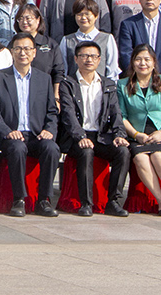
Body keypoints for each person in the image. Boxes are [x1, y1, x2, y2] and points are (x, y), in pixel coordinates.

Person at [0, 33, 61, 217]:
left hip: (36, 134)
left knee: (52, 149)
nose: (23, 53)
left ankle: (44, 200)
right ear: (11, 52)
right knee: (17, 148)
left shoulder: (44, 79)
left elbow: (52, 112)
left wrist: (49, 130)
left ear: (34, 53)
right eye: (18, 48)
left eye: (27, 49)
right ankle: (19, 199)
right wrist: (7, 131)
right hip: (10, 136)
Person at [58, 41, 132, 217]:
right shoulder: (68, 83)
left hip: (101, 136)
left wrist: (119, 134)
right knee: (86, 152)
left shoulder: (108, 84)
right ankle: (86, 203)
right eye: (84, 56)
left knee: (123, 152)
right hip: (77, 137)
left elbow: (116, 112)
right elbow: (68, 115)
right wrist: (80, 136)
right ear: (76, 59)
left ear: (99, 60)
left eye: (93, 56)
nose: (88, 60)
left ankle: (113, 201)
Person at [119, 45, 161, 217]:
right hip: (137, 136)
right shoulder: (122, 85)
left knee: (158, 156)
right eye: (138, 59)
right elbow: (122, 116)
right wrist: (136, 135)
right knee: (140, 158)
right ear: (132, 62)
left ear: (154, 62)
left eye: (147, 59)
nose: (143, 63)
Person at [59, 0, 120, 83]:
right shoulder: (66, 40)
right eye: (79, 14)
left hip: (100, 87)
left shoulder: (107, 38)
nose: (83, 18)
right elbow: (63, 69)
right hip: (74, 87)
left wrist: (111, 87)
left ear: (96, 16)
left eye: (87, 14)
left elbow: (112, 69)